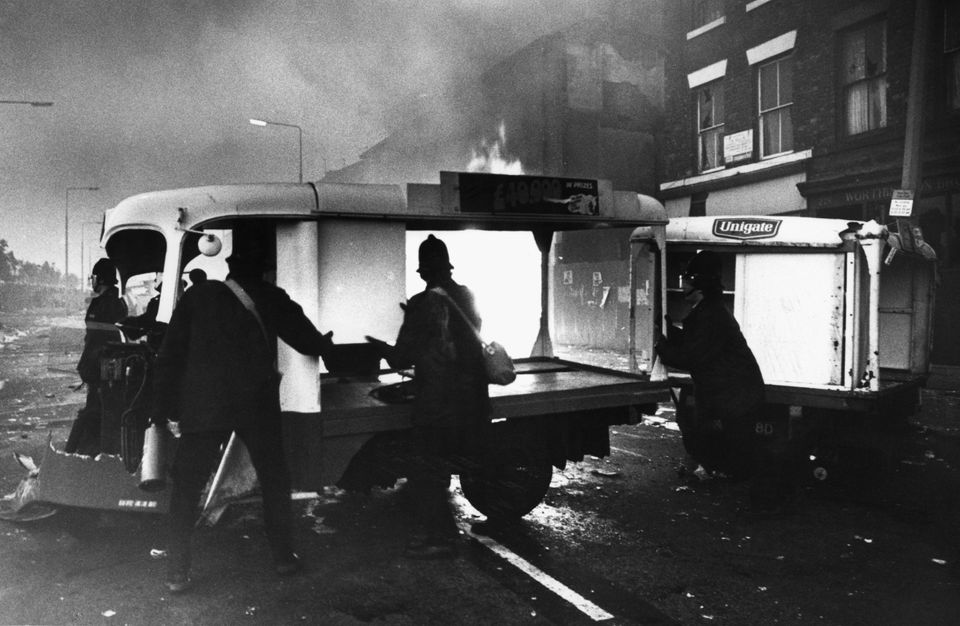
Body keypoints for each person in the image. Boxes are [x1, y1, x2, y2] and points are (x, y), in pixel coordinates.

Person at [151, 242, 334, 593]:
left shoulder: (198, 296)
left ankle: (176, 572)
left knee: (187, 486)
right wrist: (330, 344)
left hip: (204, 405)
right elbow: (307, 340)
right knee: (273, 478)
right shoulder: (270, 296)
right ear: (263, 269)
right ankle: (283, 557)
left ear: (231, 268)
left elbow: (170, 354)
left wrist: (162, 410)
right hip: (255, 404)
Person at [368, 235, 490, 558]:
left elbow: (399, 359)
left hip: (437, 405)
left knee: (424, 470)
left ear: (422, 272)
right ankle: (440, 533)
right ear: (448, 267)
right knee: (438, 468)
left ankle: (442, 537)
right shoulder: (468, 296)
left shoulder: (422, 304)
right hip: (471, 401)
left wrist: (376, 345)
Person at [655, 251, 792, 511]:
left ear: (700, 284)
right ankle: (754, 489)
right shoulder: (707, 311)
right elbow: (691, 344)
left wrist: (660, 344)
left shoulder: (711, 316)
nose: (683, 284)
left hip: (737, 394)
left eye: (687, 279)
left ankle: (765, 499)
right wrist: (666, 331)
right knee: (722, 439)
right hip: (731, 392)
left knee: (742, 446)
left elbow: (691, 356)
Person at [65, 258, 128, 455]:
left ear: (99, 279)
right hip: (110, 361)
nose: (91, 281)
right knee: (104, 406)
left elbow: (95, 339)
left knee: (97, 408)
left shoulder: (102, 304)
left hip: (102, 362)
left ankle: (82, 453)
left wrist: (87, 367)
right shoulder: (117, 302)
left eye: (93, 277)